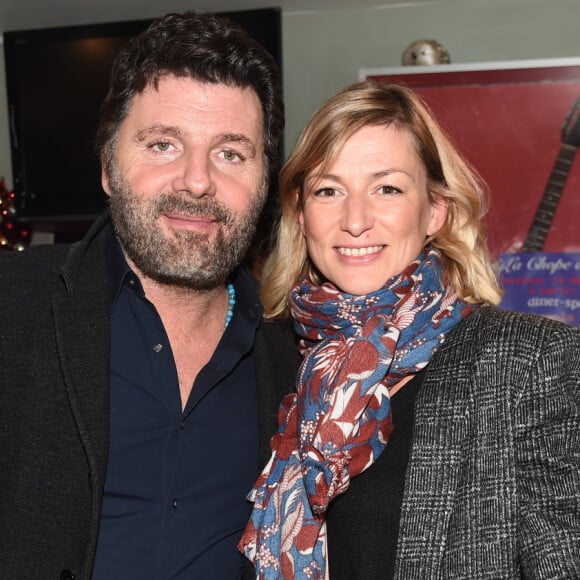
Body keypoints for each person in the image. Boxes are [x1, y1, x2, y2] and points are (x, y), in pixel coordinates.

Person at [0, 11, 301, 580]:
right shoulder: (13, 309)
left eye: (231, 153)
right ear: (110, 166)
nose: (196, 180)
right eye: (164, 144)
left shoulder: (301, 352)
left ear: (265, 181)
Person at [239, 81, 580, 579]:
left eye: (388, 188)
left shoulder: (532, 363)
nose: (355, 220)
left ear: (435, 211)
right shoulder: (262, 353)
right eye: (329, 190)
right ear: (300, 212)